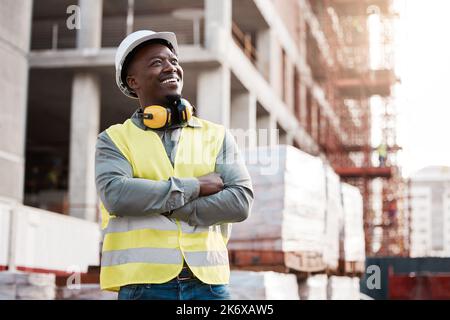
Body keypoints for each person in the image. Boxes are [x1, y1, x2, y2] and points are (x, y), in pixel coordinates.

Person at [95, 30, 253, 300]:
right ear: (133, 82)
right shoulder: (114, 139)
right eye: (157, 62)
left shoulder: (216, 135)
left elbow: (240, 201)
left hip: (209, 285)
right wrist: (196, 186)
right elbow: (117, 195)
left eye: (173, 60)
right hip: (143, 287)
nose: (171, 67)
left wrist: (163, 207)